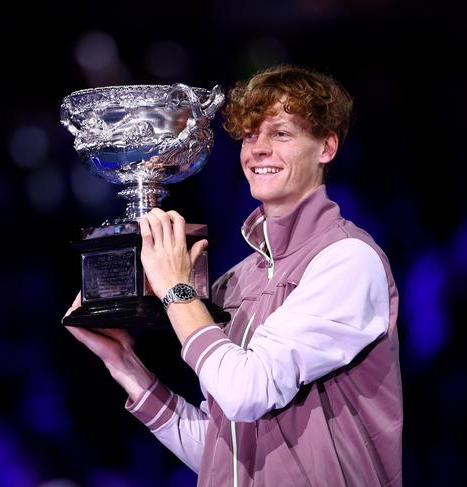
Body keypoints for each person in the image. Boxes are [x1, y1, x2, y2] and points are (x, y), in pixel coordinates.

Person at [64, 65, 403, 486]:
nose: (258, 149)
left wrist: (176, 289)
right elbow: (224, 453)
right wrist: (125, 365)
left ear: (326, 148)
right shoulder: (237, 281)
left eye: (280, 134)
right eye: (249, 134)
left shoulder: (349, 262)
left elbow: (248, 392)